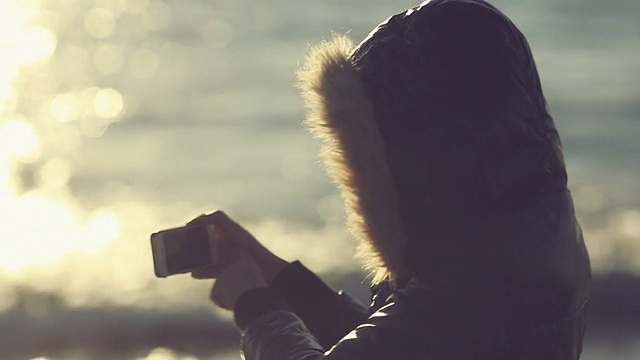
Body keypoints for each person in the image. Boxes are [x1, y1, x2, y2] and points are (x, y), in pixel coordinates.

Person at [188, 0, 592, 358]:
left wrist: (256, 307)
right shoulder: (523, 241)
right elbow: (402, 343)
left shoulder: (477, 287)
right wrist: (273, 273)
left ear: (410, 154)